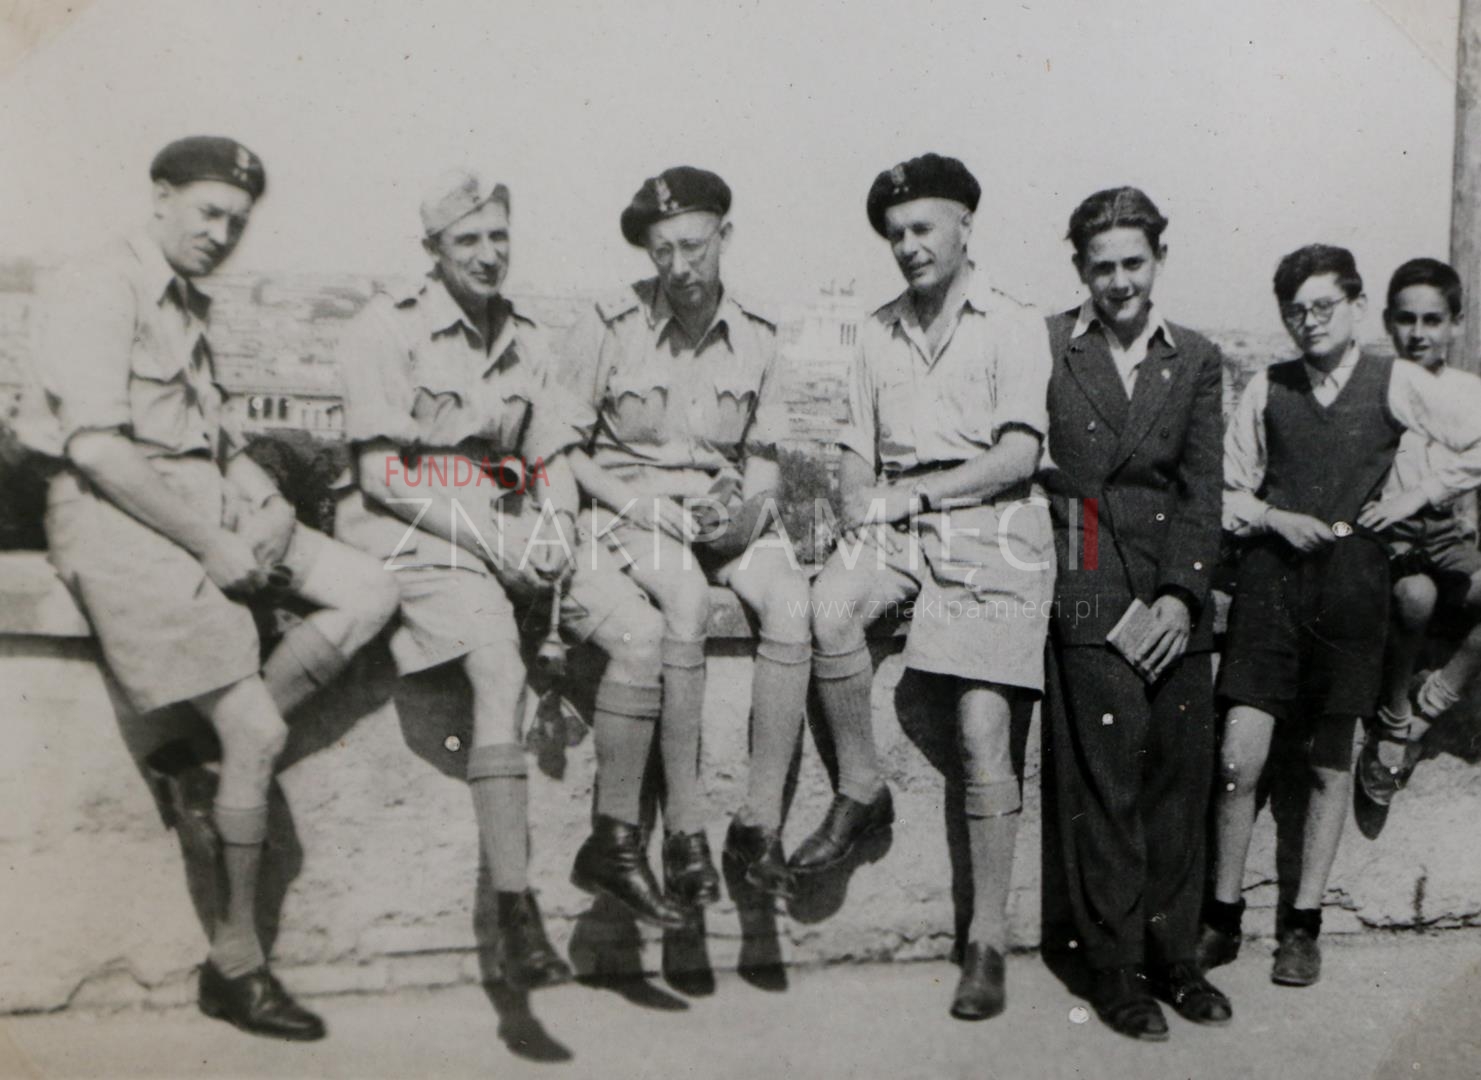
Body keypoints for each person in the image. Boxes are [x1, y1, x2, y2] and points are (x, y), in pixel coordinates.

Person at [22, 136, 401, 1041]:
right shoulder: (97, 285)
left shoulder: (186, 300)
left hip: (199, 505)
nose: (222, 234)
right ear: (160, 196)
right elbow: (98, 449)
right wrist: (215, 545)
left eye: (236, 221)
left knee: (369, 590)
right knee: (259, 729)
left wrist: (265, 500)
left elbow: (218, 436)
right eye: (208, 213)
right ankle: (235, 967)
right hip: (115, 519)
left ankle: (197, 765)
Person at [333, 170, 689, 988]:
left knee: (640, 633)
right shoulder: (384, 328)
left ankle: (613, 843)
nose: (488, 254)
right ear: (432, 249)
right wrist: (498, 539)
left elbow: (553, 452)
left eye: (499, 236)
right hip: (417, 522)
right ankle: (515, 909)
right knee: (497, 667)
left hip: (515, 517)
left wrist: (556, 525)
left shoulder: (524, 335)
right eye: (468, 240)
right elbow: (383, 475)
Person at [789, 153, 1055, 1021]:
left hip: (993, 524)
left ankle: (986, 938)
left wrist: (918, 497)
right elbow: (854, 454)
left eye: (921, 229)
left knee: (982, 731)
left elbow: (1017, 455)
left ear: (964, 226)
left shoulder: (1011, 323)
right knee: (828, 605)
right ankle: (861, 789)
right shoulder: (875, 332)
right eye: (894, 234)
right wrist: (861, 509)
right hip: (898, 522)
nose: (907, 246)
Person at [1203, 244, 1481, 988]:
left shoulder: (1395, 381)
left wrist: (1415, 496)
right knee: (1238, 757)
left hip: (1354, 586)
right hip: (1270, 586)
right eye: (1294, 310)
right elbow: (1226, 489)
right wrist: (1272, 517)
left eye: (1323, 306)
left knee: (1329, 760)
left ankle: (1302, 926)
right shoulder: (1267, 385)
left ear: (1357, 307)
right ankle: (1220, 918)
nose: (1309, 321)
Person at [559, 166, 812, 905]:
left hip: (720, 514)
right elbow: (564, 448)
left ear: (724, 236)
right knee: (685, 596)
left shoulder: (760, 336)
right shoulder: (609, 325)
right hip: (631, 511)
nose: (678, 267)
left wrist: (744, 516)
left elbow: (763, 459)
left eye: (693, 247)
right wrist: (633, 504)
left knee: (793, 601)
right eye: (662, 251)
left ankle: (758, 827)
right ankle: (685, 831)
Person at [1041, 187, 1228, 1041]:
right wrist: (1109, 608)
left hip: (1172, 594)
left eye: (1133, 263)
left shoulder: (1194, 358)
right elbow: (1055, 489)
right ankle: (1114, 965)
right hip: (1088, 587)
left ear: (1158, 260)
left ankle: (1173, 955)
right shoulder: (1051, 346)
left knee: (1178, 776)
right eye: (1101, 266)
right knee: (1107, 778)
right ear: (1079, 268)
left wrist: (1180, 598)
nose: (1118, 281)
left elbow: (1201, 489)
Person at [1357, 259, 1481, 806]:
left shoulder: (1469, 391)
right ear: (1388, 321)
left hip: (1445, 530)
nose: (1418, 333)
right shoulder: (1376, 384)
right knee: (1415, 596)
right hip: (1390, 533)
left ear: (1456, 323)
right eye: (1406, 319)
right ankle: (1392, 715)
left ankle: (1431, 705)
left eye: (1433, 320)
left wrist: (1458, 509)